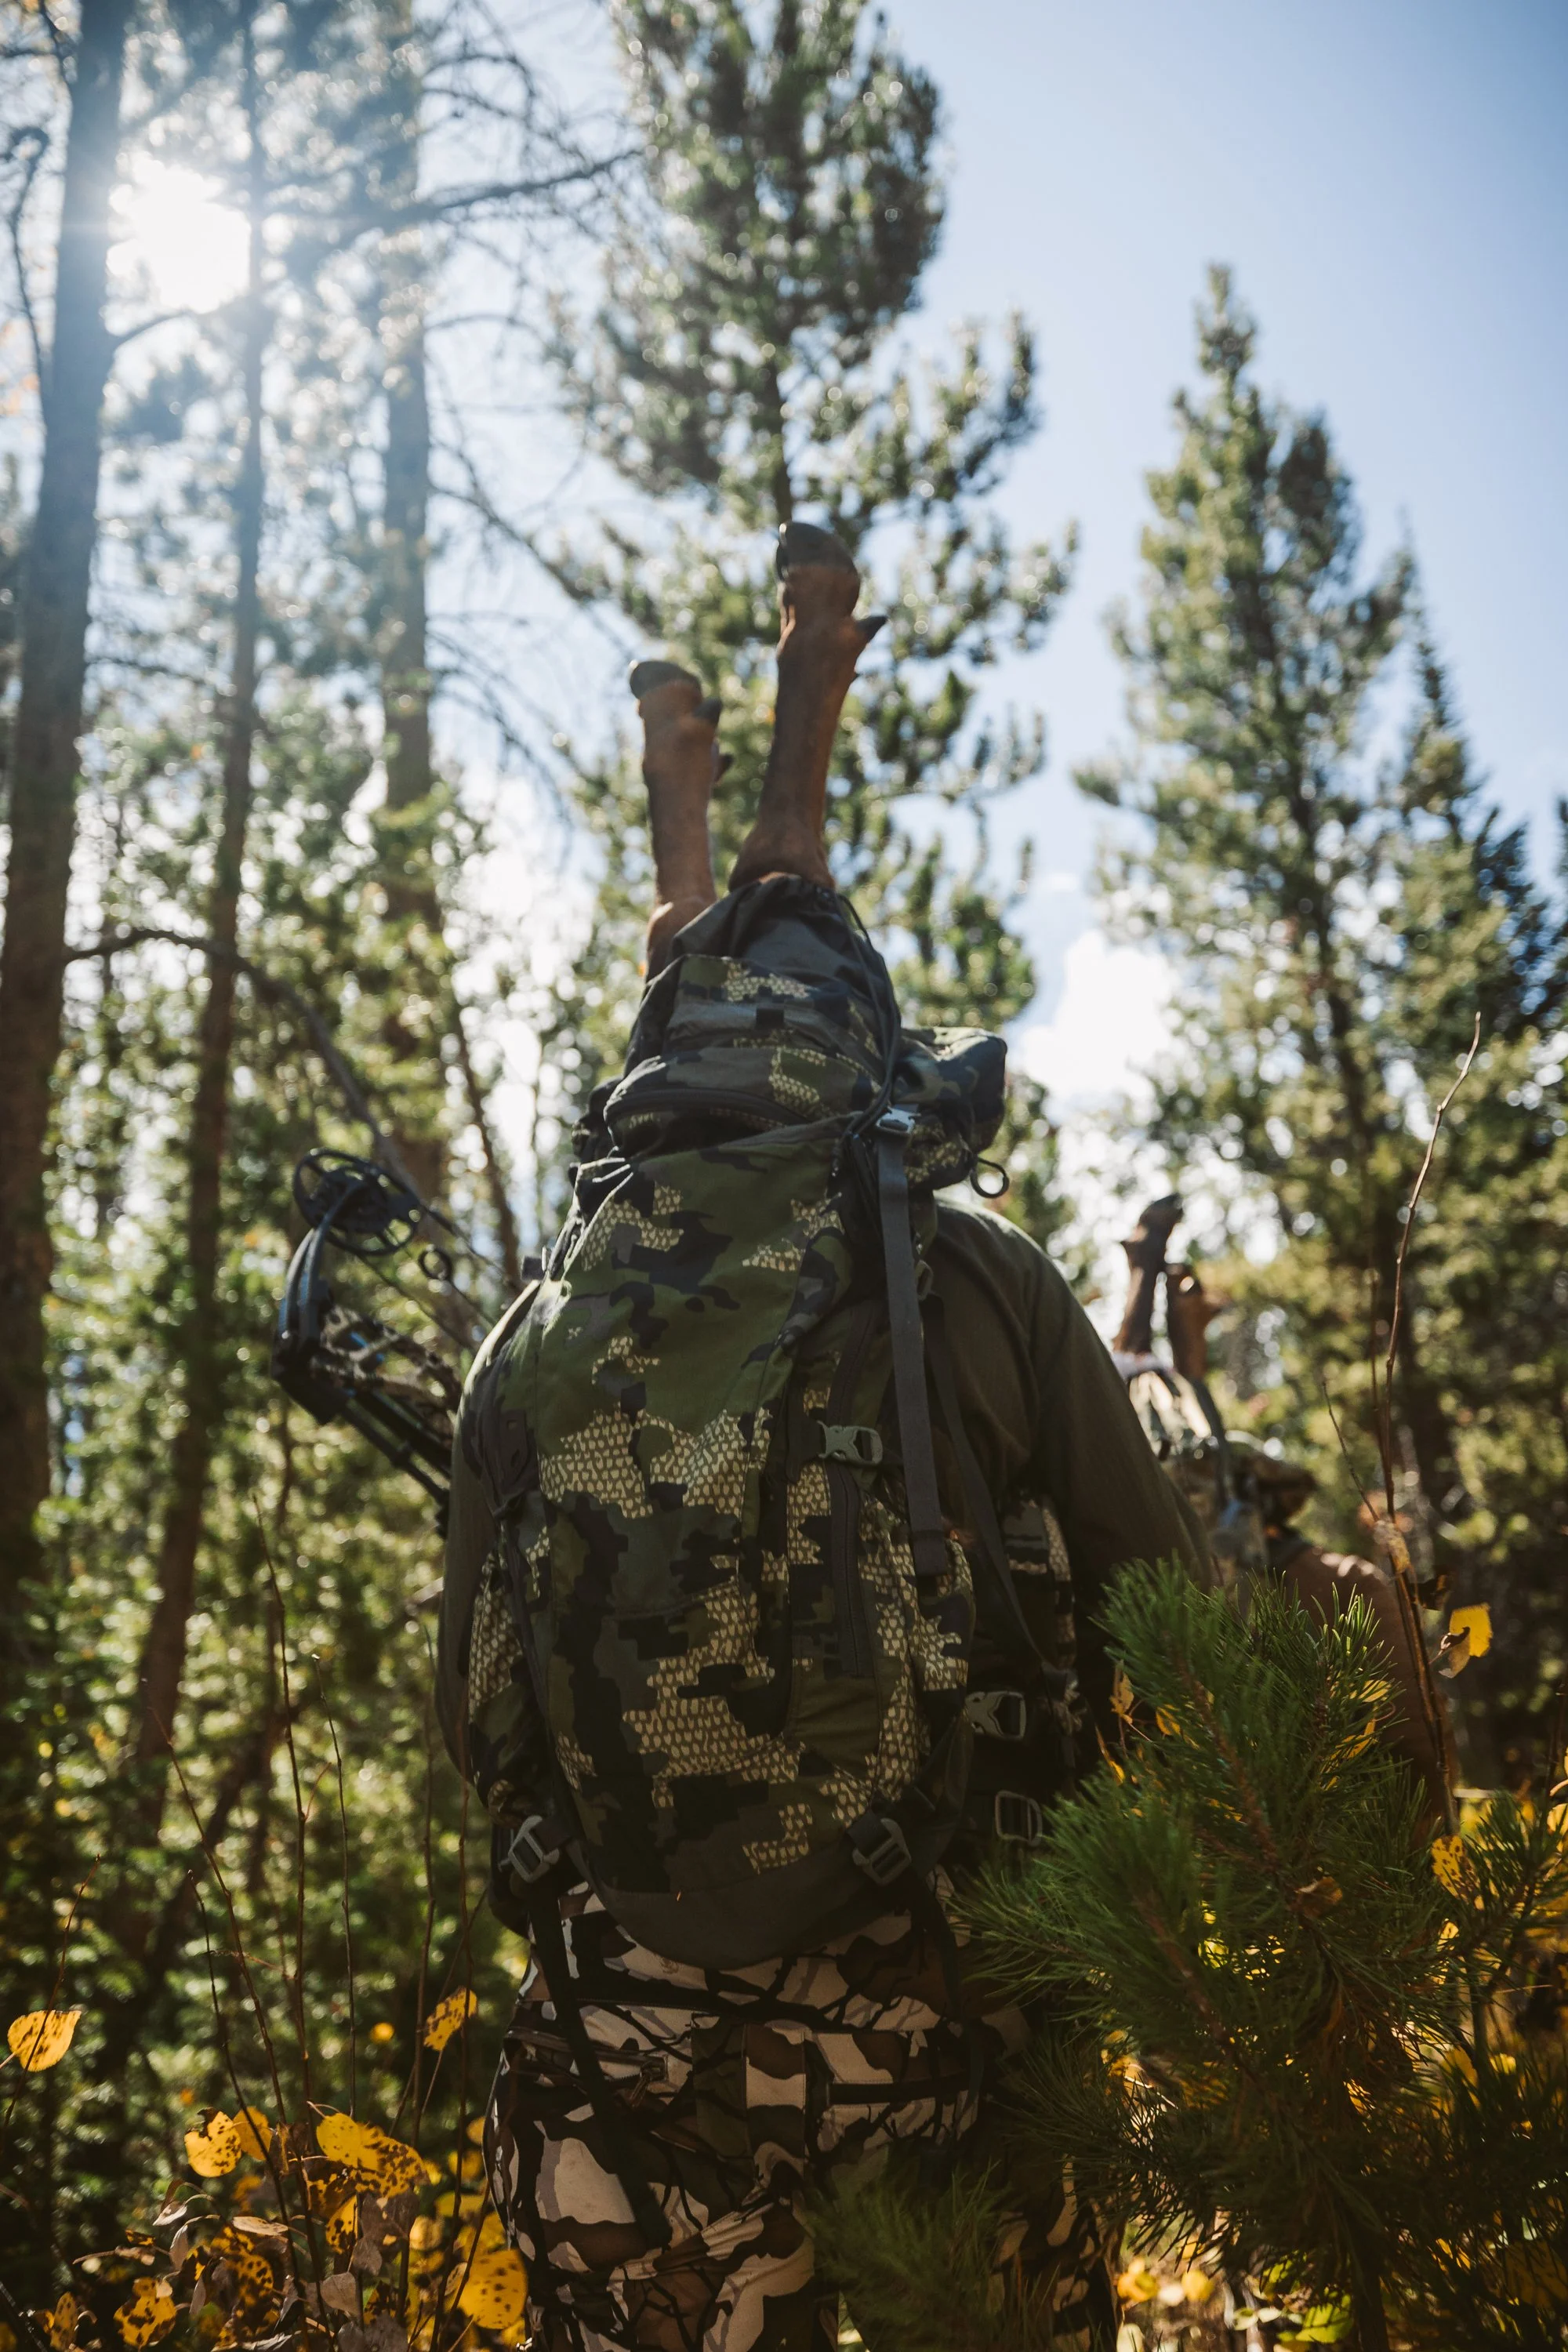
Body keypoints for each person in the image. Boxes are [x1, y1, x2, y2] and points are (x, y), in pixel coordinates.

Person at [436, 523, 1207, 2352]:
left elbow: (476, 1725)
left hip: (629, 2060)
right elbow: (1177, 1621)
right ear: (870, 1072)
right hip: (946, 2025)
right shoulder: (975, 1280)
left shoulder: (532, 1341)